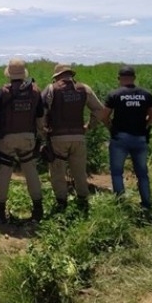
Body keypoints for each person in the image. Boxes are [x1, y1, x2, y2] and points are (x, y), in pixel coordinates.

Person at [0, 58, 46, 223]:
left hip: (7, 138)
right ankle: (38, 209)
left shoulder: (2, 92)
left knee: (4, 173)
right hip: (28, 138)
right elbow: (40, 116)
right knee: (31, 172)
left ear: (9, 75)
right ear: (24, 74)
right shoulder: (35, 91)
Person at [41, 64, 104, 212]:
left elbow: (41, 112)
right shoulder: (84, 89)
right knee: (79, 171)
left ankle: (61, 203)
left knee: (57, 172)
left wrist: (44, 131)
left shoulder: (51, 89)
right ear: (71, 75)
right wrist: (89, 126)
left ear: (57, 76)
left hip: (57, 138)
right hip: (78, 137)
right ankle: (83, 200)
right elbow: (100, 110)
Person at [101, 65, 152, 210]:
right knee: (142, 174)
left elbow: (104, 116)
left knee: (117, 173)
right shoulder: (146, 94)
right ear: (134, 78)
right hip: (140, 138)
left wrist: (111, 128)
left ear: (119, 79)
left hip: (120, 138)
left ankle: (121, 205)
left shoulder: (115, 94)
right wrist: (146, 127)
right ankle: (146, 204)